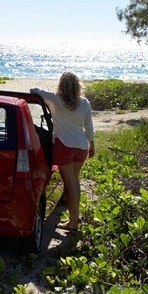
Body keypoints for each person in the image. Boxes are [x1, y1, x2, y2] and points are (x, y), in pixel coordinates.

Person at [31, 71, 94, 231]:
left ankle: (73, 222)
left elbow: (34, 90)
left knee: (70, 183)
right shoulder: (84, 102)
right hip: (82, 146)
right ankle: (75, 218)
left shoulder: (56, 99)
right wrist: (92, 144)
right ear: (78, 86)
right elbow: (89, 126)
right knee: (75, 181)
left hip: (65, 146)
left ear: (61, 85)